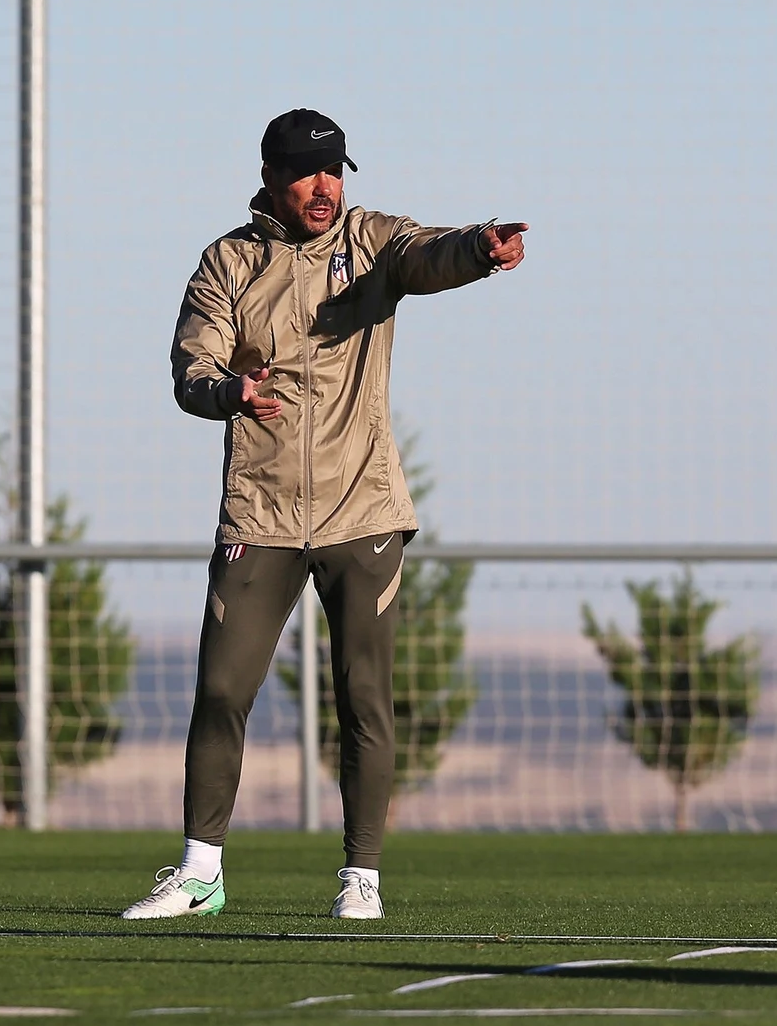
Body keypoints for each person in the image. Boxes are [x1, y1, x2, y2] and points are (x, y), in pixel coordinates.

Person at [121, 108, 527, 921]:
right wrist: (228, 392)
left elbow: (427, 253)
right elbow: (191, 366)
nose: (326, 186)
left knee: (363, 698)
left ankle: (362, 879)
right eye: (309, 172)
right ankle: (201, 872)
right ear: (272, 176)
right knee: (221, 690)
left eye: (337, 170)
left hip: (362, 508)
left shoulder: (371, 240)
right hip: (261, 516)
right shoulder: (227, 261)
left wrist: (479, 247)